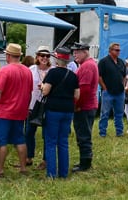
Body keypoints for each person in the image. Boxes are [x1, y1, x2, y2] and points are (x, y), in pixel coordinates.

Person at [0, 43, 33, 178]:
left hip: (4, 112)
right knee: (20, 140)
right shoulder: (27, 71)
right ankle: (23, 168)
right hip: (20, 112)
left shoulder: (5, 70)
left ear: (8, 55)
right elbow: (29, 93)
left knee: (1, 141)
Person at [40, 47, 80, 179]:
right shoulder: (73, 75)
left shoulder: (52, 73)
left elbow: (45, 91)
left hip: (53, 110)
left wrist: (42, 86)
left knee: (51, 142)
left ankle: (51, 173)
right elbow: (77, 95)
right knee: (63, 142)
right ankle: (63, 173)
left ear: (56, 59)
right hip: (68, 110)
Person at [72, 43, 99, 172]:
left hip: (85, 106)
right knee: (83, 134)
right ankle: (85, 160)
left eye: (77, 52)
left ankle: (85, 163)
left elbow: (85, 89)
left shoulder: (87, 66)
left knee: (83, 135)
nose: (74, 55)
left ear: (85, 52)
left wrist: (77, 105)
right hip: (88, 105)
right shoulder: (87, 64)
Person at [26, 46, 52, 170]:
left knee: (46, 134)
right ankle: (28, 157)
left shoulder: (53, 70)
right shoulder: (31, 69)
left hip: (47, 106)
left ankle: (45, 160)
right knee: (29, 132)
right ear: (37, 56)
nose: (45, 58)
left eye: (47, 56)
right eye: (42, 55)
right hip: (32, 105)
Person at [98, 42, 127, 138]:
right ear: (110, 50)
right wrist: (105, 88)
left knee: (119, 113)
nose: (119, 52)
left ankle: (119, 132)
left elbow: (124, 76)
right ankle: (102, 133)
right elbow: (99, 76)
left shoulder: (121, 62)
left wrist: (123, 85)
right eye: (116, 50)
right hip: (108, 92)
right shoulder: (103, 62)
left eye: (119, 50)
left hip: (120, 92)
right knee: (105, 114)